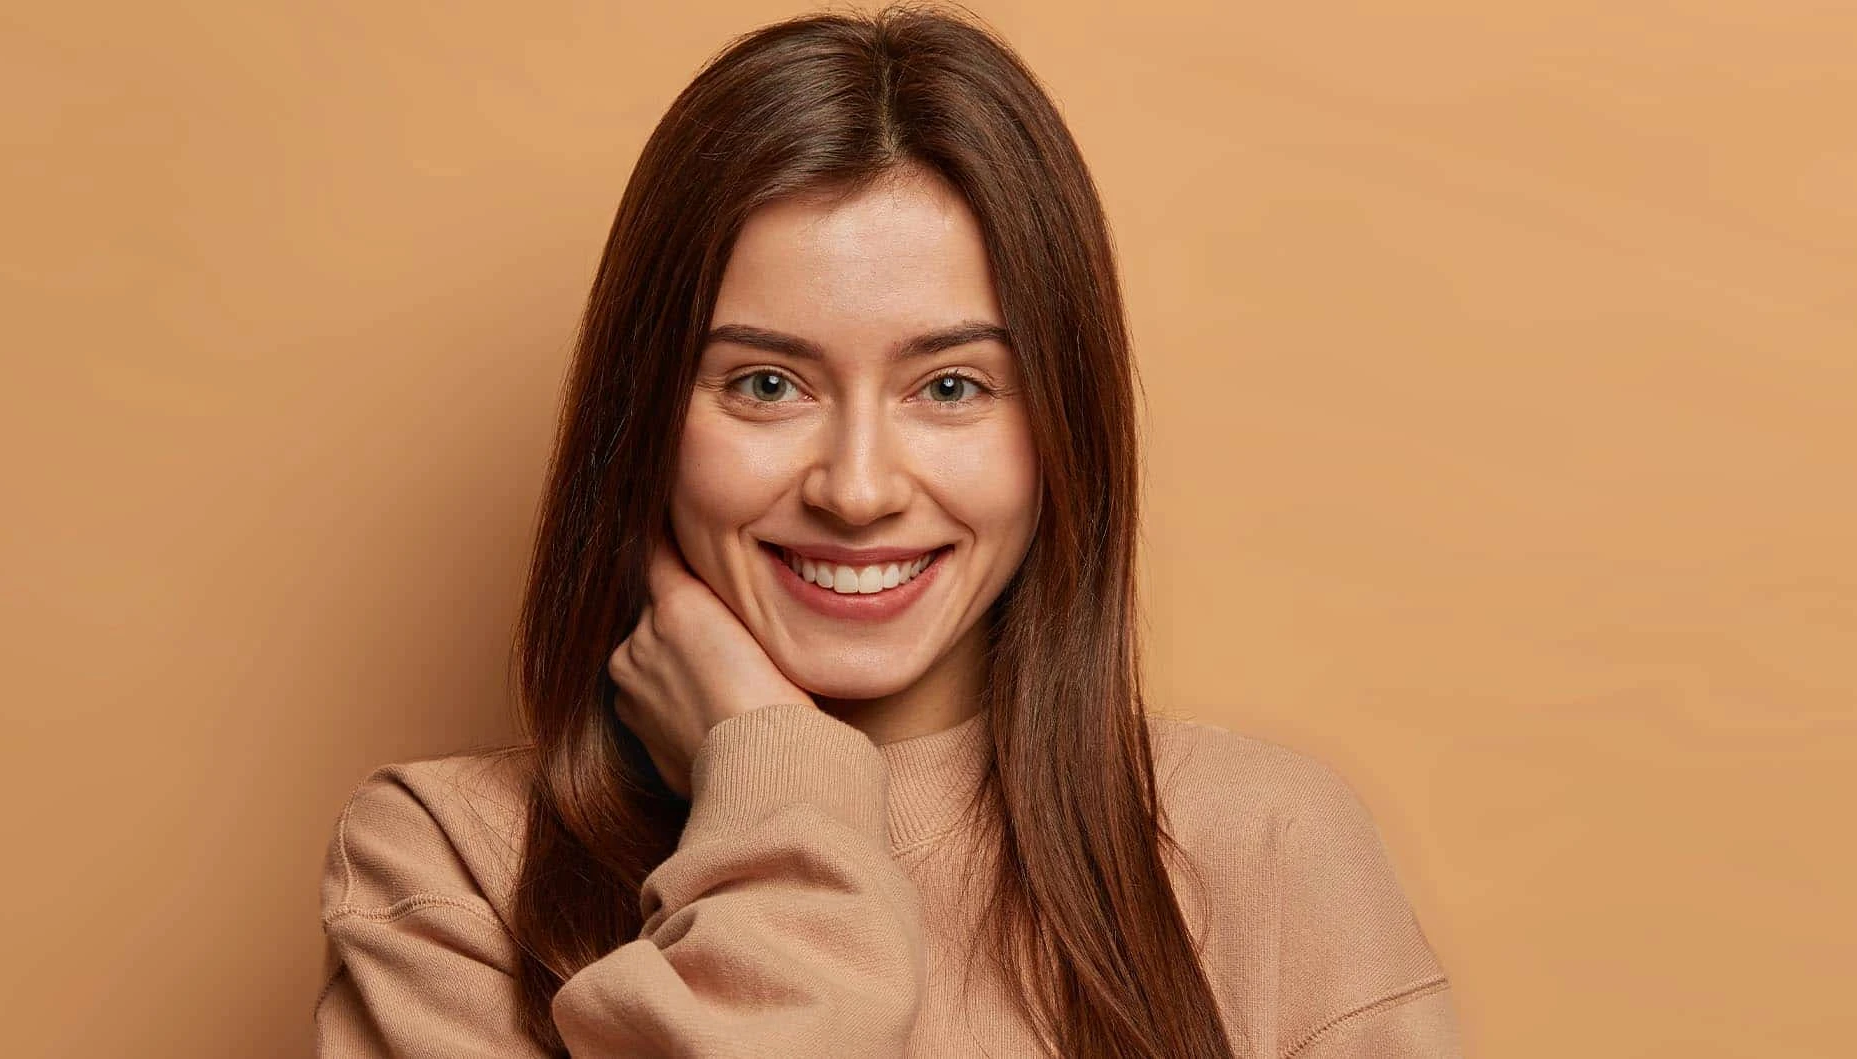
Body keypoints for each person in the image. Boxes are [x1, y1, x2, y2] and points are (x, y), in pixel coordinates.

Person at [314, 6, 1460, 1056]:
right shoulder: (452, 869)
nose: (856, 490)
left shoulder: (1260, 850)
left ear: (1063, 424)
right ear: (645, 415)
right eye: (765, 384)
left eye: (951, 388)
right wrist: (776, 785)